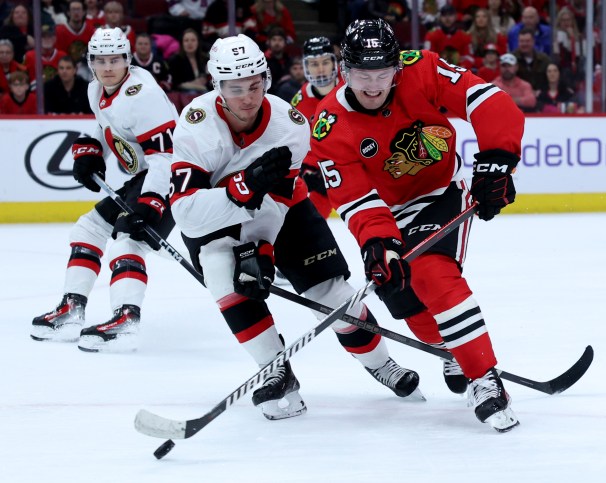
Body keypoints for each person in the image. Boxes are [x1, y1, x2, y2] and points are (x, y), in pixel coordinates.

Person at [170, 33, 421, 421]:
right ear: (216, 86)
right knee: (223, 277)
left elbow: (279, 199)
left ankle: (381, 364)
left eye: (255, 86)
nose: (247, 98)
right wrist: (239, 191)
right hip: (214, 222)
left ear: (266, 79)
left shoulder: (289, 123)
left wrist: (263, 248)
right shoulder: (195, 124)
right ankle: (276, 370)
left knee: (332, 293)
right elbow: (186, 214)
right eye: (235, 89)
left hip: (281, 213)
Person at [307, 19, 523, 432]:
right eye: (362, 75)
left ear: (397, 69)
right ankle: (452, 349)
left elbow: (489, 100)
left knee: (429, 269)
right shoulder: (329, 125)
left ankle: (485, 378)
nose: (373, 86)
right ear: (343, 71)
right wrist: (377, 242)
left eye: (383, 74)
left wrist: (497, 160)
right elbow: (355, 199)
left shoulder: (422, 69)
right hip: (389, 212)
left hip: (442, 191)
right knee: (400, 293)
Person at [31, 28, 179, 353]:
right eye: (100, 60)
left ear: (127, 60)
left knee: (129, 238)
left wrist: (151, 203)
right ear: (91, 62)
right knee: (89, 227)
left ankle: (127, 318)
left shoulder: (143, 95)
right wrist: (90, 149)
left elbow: (167, 157)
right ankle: (72, 308)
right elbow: (105, 124)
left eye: (115, 59)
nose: (108, 66)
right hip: (146, 175)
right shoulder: (96, 89)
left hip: (177, 177)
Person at [291, 36, 342, 219]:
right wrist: (307, 170)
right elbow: (297, 142)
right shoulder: (300, 101)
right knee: (311, 219)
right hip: (323, 169)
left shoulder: (352, 86)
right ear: (305, 66)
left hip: (357, 159)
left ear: (334, 63)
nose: (320, 69)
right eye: (313, 64)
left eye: (325, 62)